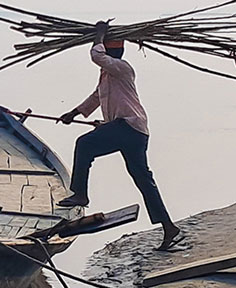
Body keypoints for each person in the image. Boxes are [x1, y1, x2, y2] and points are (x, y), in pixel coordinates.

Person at [57, 21, 183, 250]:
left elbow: (97, 56)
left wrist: (99, 34)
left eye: (105, 47)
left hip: (130, 127)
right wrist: (74, 113)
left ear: (111, 51)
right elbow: (96, 98)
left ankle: (80, 195)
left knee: (84, 145)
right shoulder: (107, 75)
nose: (102, 50)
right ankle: (169, 227)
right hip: (130, 130)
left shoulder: (122, 67)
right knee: (144, 181)